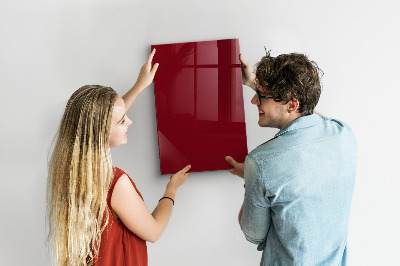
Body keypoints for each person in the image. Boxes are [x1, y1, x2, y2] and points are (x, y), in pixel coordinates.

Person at [46, 49, 191, 266]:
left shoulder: (69, 170)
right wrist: (172, 189)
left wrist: (140, 85)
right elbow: (153, 231)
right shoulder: (115, 183)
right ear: (101, 131)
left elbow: (104, 119)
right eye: (122, 121)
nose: (129, 122)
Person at [225, 51, 357, 265]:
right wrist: (254, 83)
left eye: (260, 96)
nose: (253, 100)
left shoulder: (260, 163)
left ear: (292, 105)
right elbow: (311, 114)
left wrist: (252, 178)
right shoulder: (343, 134)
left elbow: (253, 235)